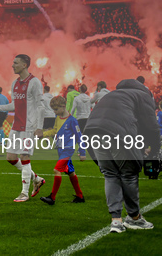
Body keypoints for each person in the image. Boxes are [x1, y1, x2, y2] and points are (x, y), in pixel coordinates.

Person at [84, 79, 160, 233]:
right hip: (116, 134)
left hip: (92, 133)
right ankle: (134, 217)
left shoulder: (113, 94)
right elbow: (151, 127)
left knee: (110, 174)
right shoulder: (142, 95)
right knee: (129, 174)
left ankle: (116, 221)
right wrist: (154, 152)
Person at [0, 54, 45, 202]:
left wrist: (39, 127)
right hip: (16, 126)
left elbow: (41, 106)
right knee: (11, 157)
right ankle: (37, 179)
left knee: (24, 157)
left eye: (15, 63)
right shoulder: (15, 83)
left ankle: (24, 193)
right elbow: (14, 105)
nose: (12, 65)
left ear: (25, 65)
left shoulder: (34, 83)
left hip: (29, 127)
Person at [36, 96, 85, 206]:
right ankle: (80, 196)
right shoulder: (58, 118)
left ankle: (52, 198)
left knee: (56, 170)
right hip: (60, 149)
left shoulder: (72, 120)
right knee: (70, 172)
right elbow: (55, 131)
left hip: (67, 150)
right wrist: (43, 134)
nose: (54, 112)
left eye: (56, 109)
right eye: (53, 109)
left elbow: (79, 137)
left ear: (63, 107)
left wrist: (82, 152)